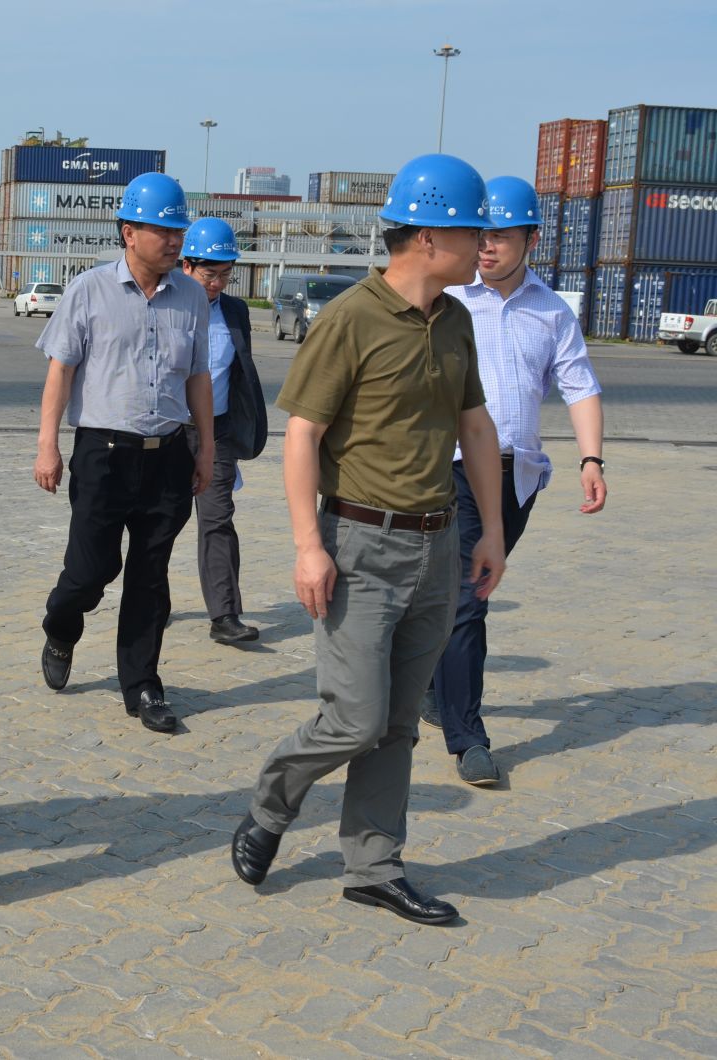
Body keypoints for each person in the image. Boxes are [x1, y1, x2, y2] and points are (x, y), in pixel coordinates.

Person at [230, 154, 507, 927]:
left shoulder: (456, 320)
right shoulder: (350, 318)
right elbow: (302, 434)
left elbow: (475, 427)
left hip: (437, 547)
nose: (483, 244)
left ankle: (373, 867)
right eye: (472, 231)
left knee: (395, 725)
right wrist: (307, 545)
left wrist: (490, 532)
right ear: (427, 237)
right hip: (359, 544)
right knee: (355, 717)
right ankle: (273, 801)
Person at [424, 175, 607, 785]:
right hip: (451, 468)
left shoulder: (551, 312)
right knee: (469, 598)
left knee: (457, 597)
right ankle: (468, 737)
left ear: (531, 239)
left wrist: (591, 460)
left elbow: (579, 385)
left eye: (501, 236)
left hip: (516, 477)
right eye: (482, 235)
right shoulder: (449, 301)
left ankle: (434, 686)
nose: (487, 247)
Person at [34, 172, 215, 735]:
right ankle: (61, 626)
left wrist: (206, 448)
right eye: (163, 231)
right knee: (91, 571)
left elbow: (199, 377)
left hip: (168, 457)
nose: (174, 241)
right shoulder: (89, 290)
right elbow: (60, 372)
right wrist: (47, 446)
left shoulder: (193, 297)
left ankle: (142, 685)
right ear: (129, 232)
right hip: (103, 454)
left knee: (150, 576)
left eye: (178, 231)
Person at [177, 218, 269, 646]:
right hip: (168, 431)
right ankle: (150, 603)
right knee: (158, 524)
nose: (216, 284)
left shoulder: (235, 312)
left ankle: (225, 615)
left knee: (218, 520)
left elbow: (239, 372)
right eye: (209, 274)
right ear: (186, 266)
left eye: (225, 274)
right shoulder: (166, 306)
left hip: (217, 433)